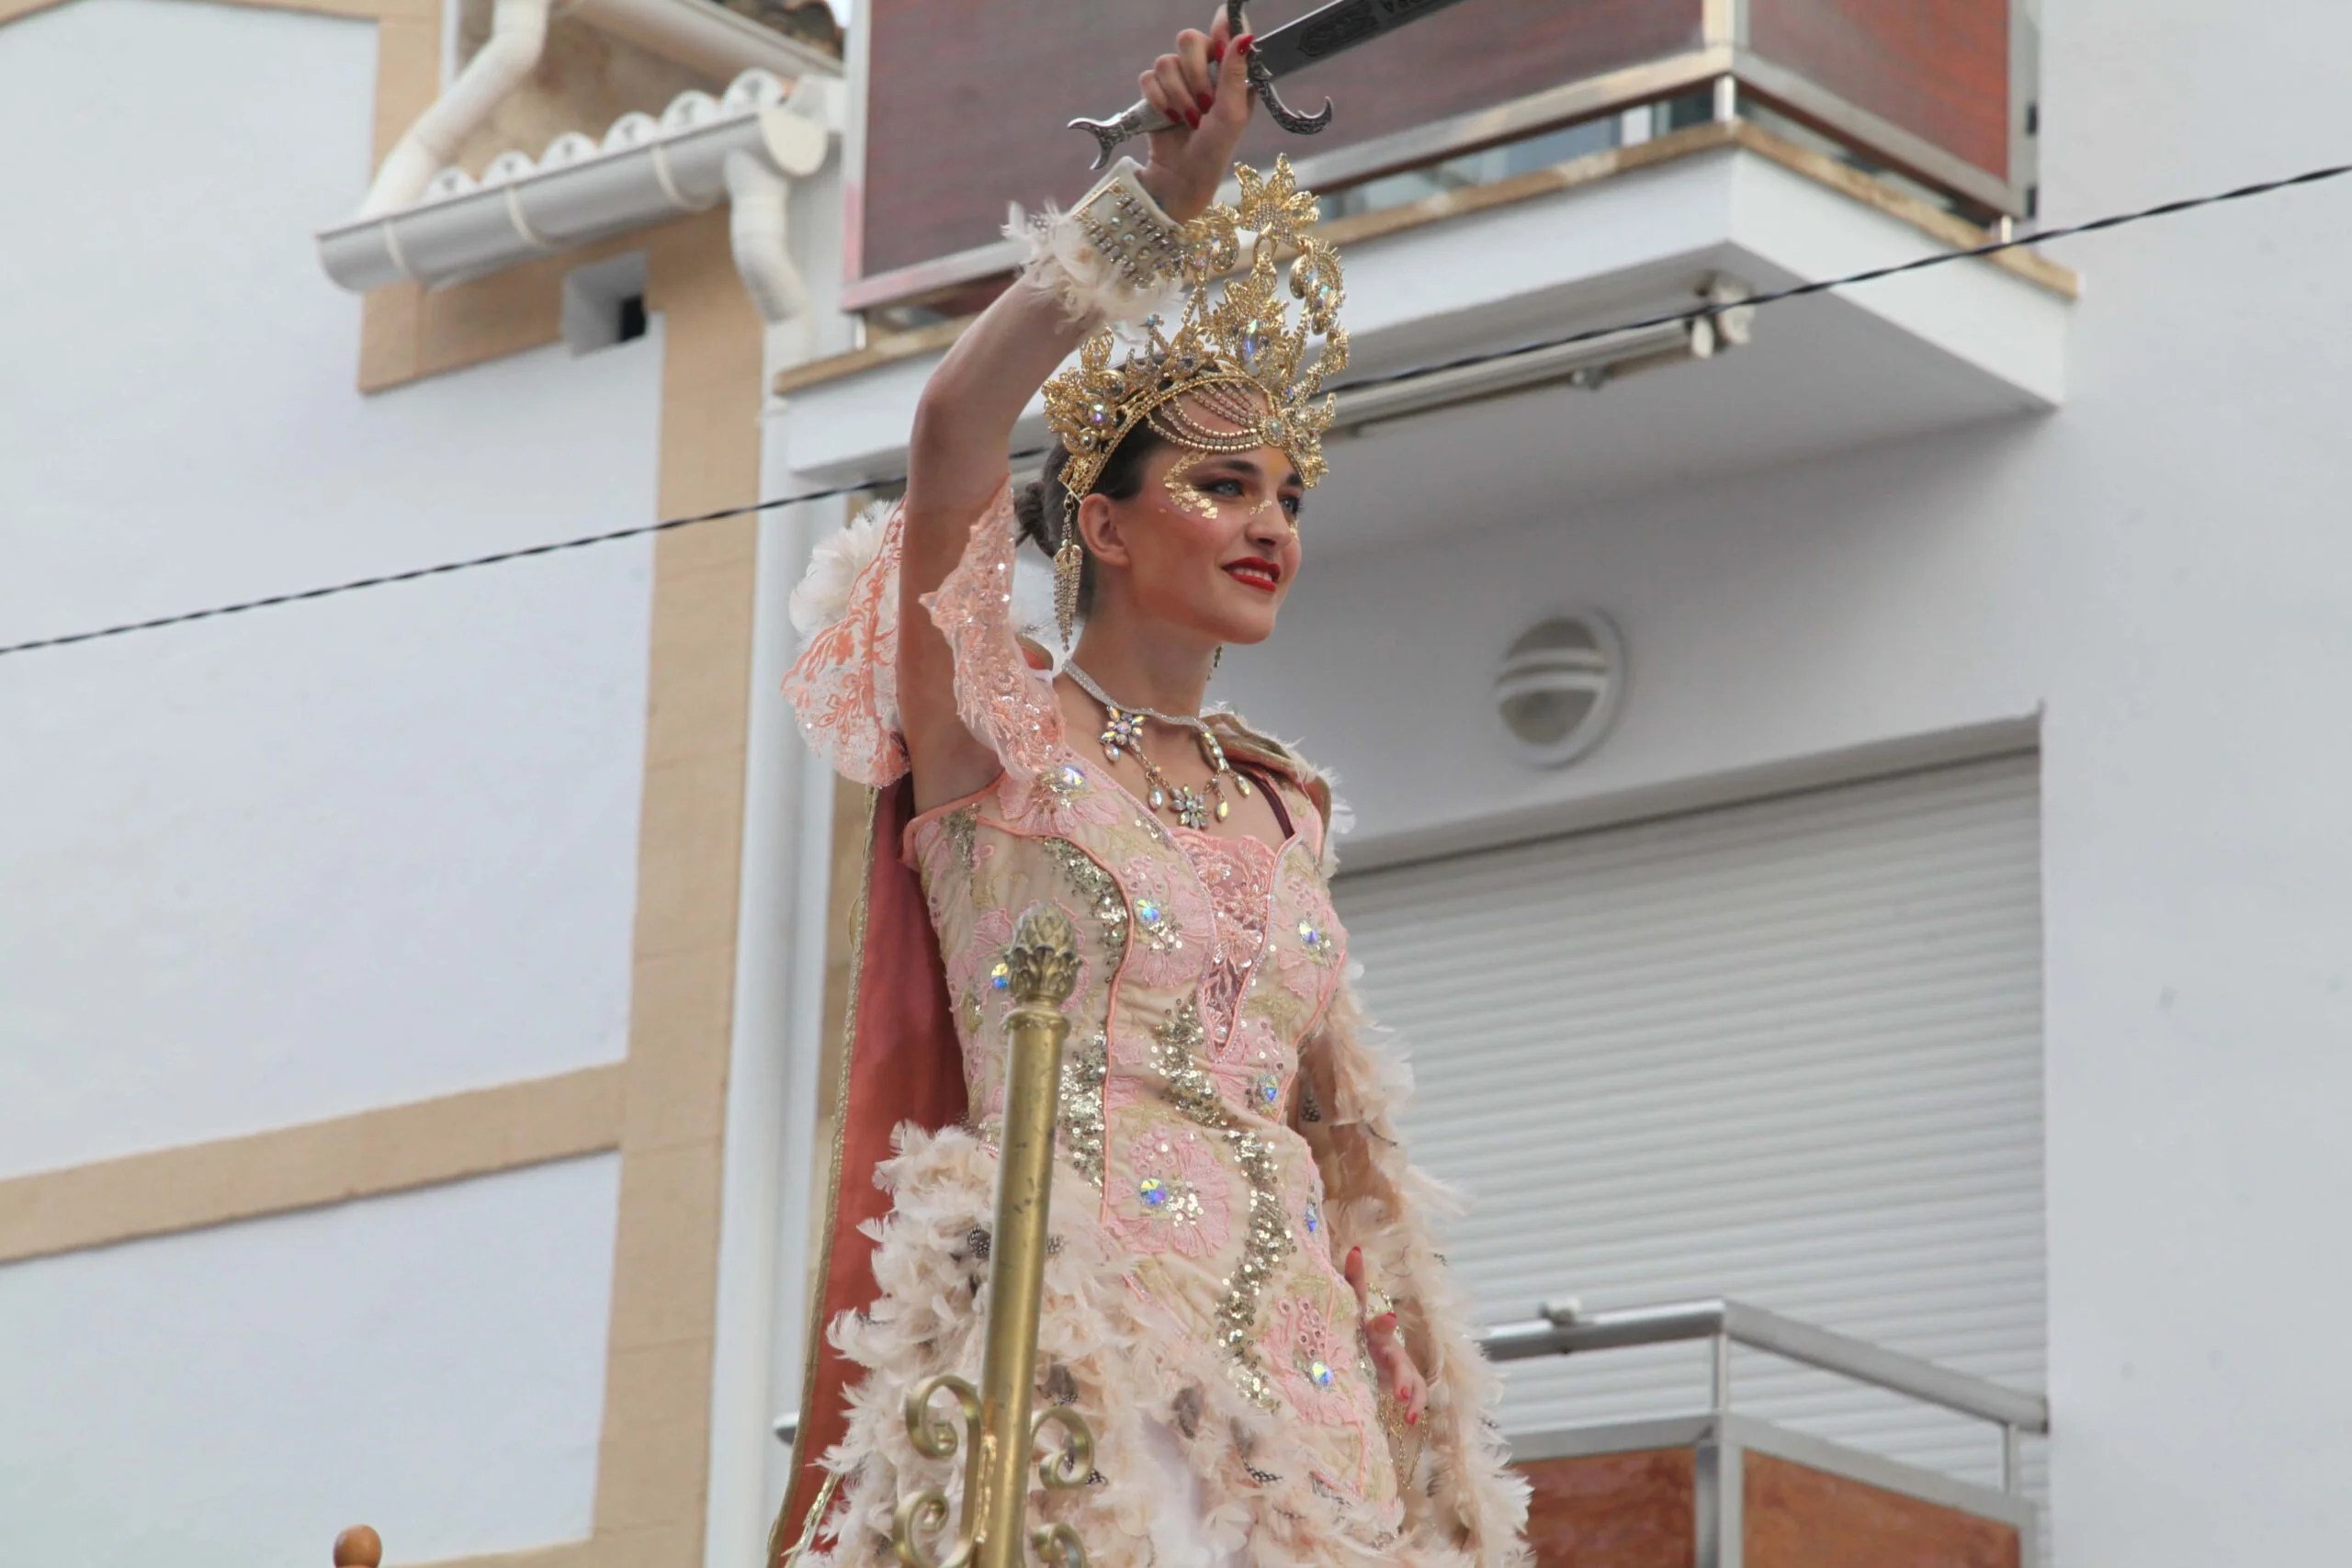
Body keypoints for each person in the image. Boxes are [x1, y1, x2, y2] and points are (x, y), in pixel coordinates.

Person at [773, 17, 1530, 1568]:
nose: (1271, 526)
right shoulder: (995, 723)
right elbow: (953, 431)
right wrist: (1151, 210)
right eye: (1221, 485)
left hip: (1308, 1390)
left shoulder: (1283, 802)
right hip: (1080, 1346)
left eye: (1288, 494)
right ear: (1104, 529)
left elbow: (1332, 1139)